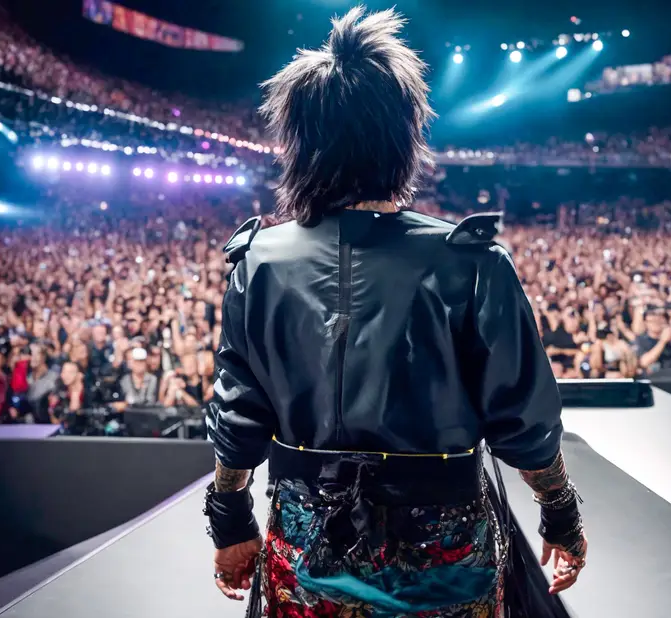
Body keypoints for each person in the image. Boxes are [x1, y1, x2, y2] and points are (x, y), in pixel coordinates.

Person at [203, 8, 586, 618]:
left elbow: (239, 414)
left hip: (305, 543)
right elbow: (524, 419)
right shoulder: (472, 261)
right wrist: (561, 514)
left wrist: (229, 520)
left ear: (300, 141)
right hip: (444, 551)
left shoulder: (258, 261)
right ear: (404, 137)